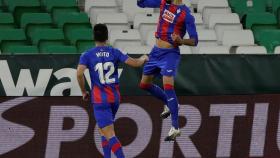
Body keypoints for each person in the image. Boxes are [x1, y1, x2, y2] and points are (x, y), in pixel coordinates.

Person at [77, 23, 149, 158]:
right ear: (107, 37)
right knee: (103, 130)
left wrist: (83, 91)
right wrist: (143, 58)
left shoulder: (87, 55)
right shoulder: (115, 52)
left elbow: (79, 74)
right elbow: (134, 63)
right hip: (114, 98)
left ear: (94, 37)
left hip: (100, 100)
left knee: (109, 133)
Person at [137, 0, 198, 141]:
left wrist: (181, 41)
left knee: (168, 85)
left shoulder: (186, 14)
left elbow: (195, 40)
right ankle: (171, 103)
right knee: (144, 84)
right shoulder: (164, 2)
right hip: (156, 51)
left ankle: (175, 127)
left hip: (170, 54)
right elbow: (141, 3)